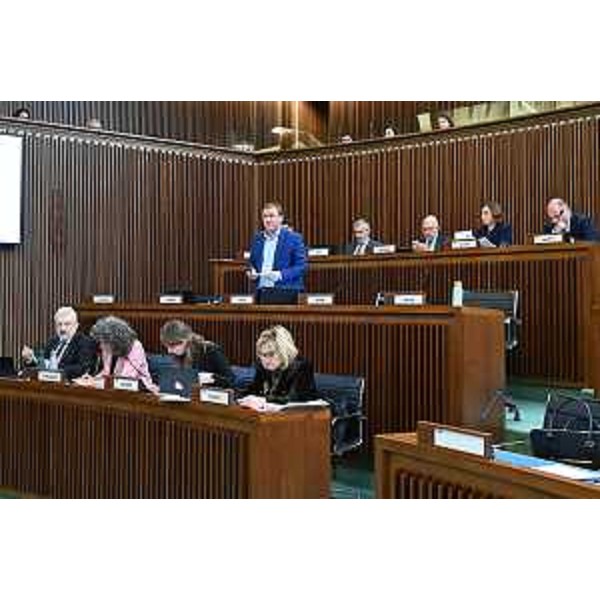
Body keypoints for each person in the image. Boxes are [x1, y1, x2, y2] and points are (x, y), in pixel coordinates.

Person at [237, 325, 318, 410]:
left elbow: (292, 398)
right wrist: (237, 396)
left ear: (284, 352)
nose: (267, 360)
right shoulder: (262, 366)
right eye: (264, 355)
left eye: (271, 354)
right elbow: (253, 390)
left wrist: (264, 399)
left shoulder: (301, 367)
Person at [246, 202, 307, 296]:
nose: (268, 220)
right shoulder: (257, 239)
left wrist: (280, 275)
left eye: (271, 216)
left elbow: (301, 267)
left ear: (280, 218)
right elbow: (251, 263)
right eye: (265, 216)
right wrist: (251, 271)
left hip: (286, 291)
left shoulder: (294, 238)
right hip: (261, 291)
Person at [84, 316, 158, 393]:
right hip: (113, 391)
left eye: (103, 342)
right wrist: (92, 379)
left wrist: (95, 383)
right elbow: (106, 373)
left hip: (139, 391)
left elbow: (126, 378)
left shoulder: (135, 347)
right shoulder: (107, 349)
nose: (101, 346)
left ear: (114, 340)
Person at [21, 306, 97, 380]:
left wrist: (55, 370)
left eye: (67, 324)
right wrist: (31, 360)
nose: (62, 329)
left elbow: (82, 368)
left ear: (76, 326)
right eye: (59, 324)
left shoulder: (85, 342)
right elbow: (43, 364)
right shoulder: (52, 341)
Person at [159, 320, 234, 388]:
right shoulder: (178, 354)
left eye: (172, 346)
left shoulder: (210, 350)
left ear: (184, 341)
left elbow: (230, 380)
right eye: (167, 347)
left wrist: (211, 378)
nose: (169, 351)